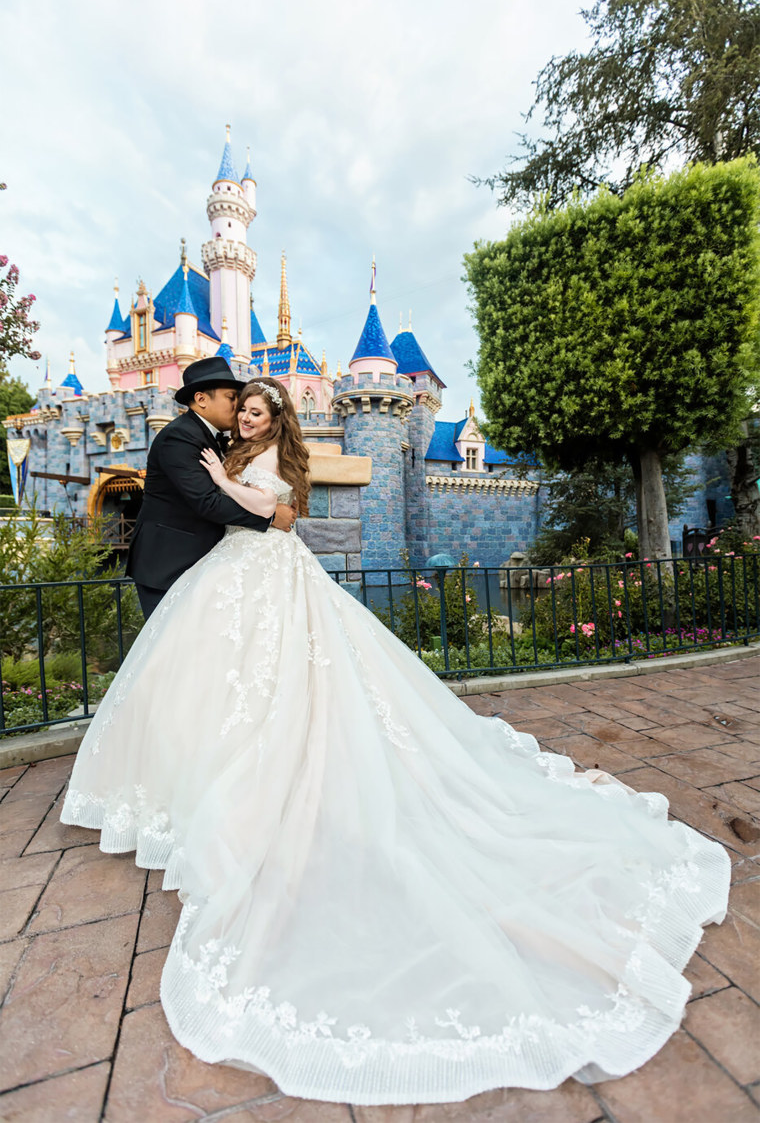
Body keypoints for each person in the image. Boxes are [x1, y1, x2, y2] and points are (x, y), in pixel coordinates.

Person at [62, 376, 730, 1106]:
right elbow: (219, 505)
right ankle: (195, 780)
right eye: (239, 406)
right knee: (223, 683)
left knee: (285, 684)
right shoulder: (199, 444)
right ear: (217, 408)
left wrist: (246, 490)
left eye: (255, 409)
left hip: (263, 569)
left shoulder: (254, 456)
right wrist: (233, 481)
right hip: (225, 577)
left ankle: (262, 785)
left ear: (273, 418)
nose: (244, 415)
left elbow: (274, 513)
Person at [126, 356, 296, 619]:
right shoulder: (179, 437)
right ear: (202, 399)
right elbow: (207, 502)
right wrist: (272, 517)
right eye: (231, 397)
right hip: (167, 564)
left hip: (204, 564)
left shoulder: (216, 438)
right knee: (169, 647)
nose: (238, 405)